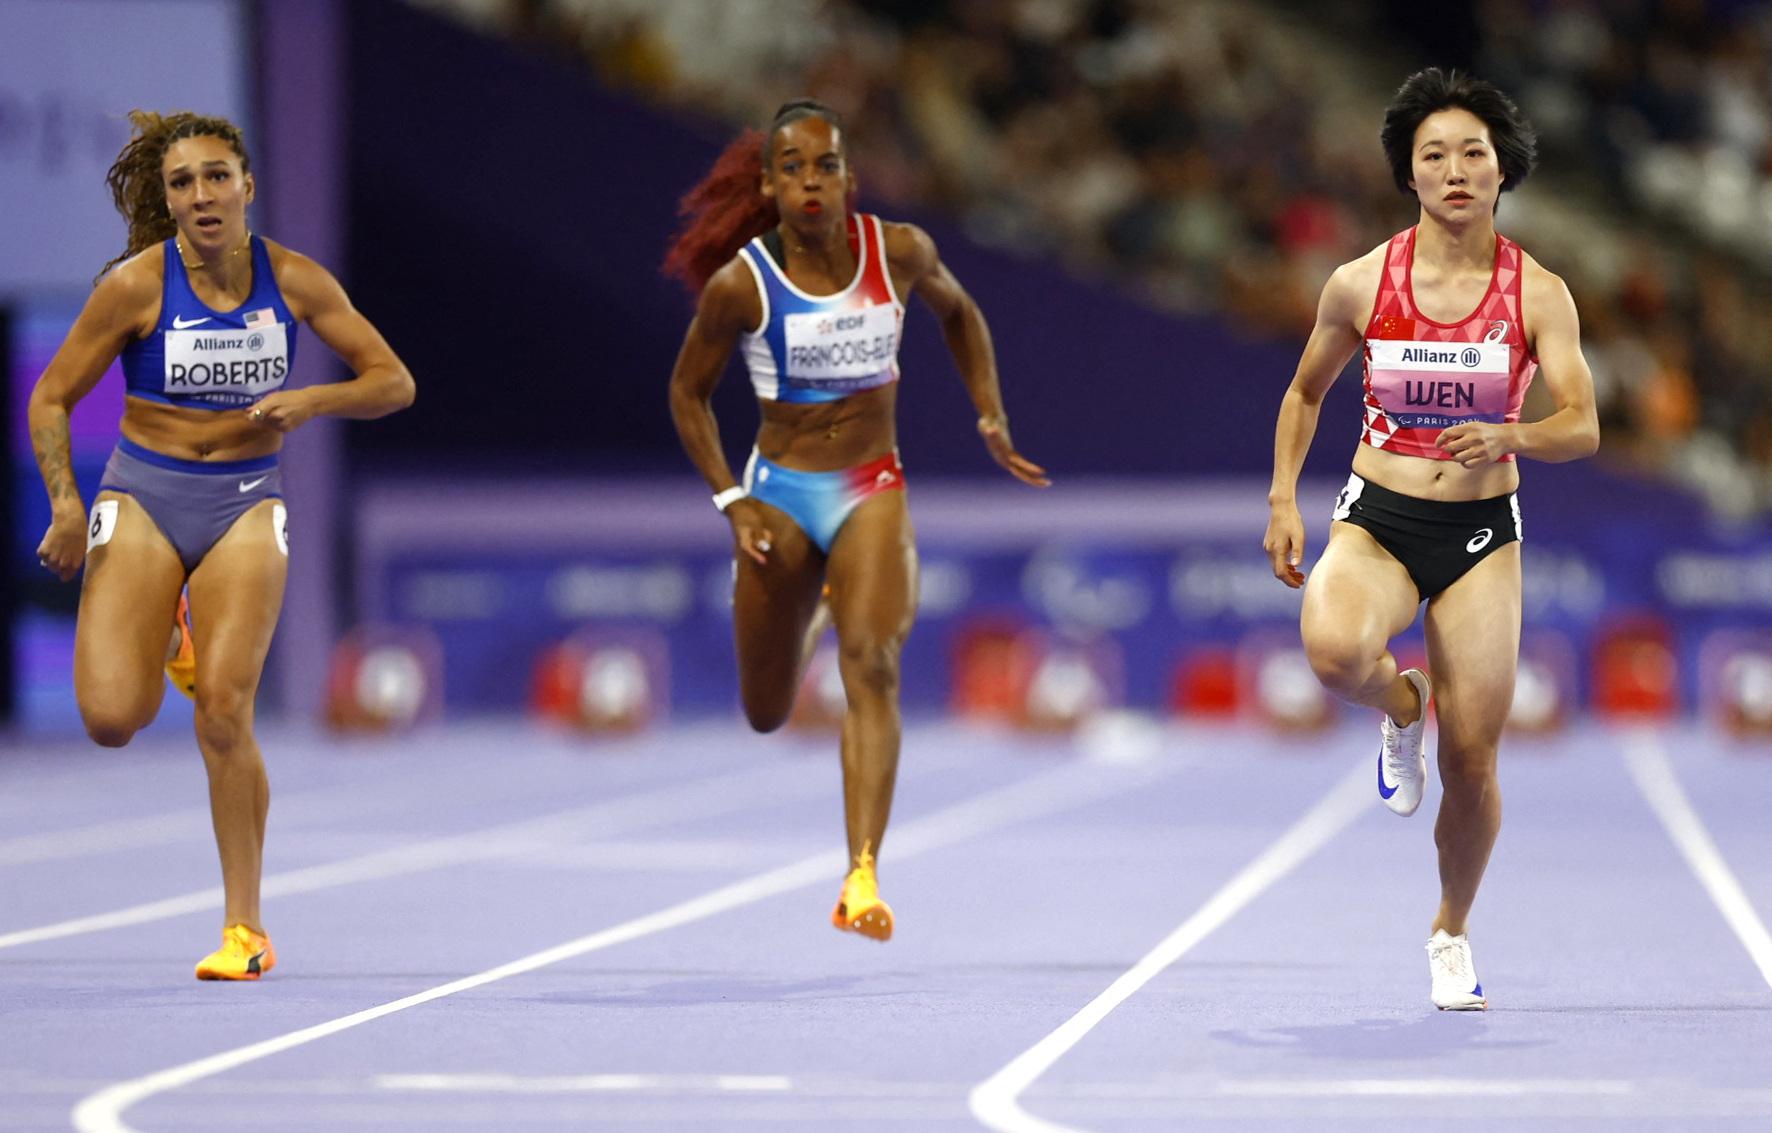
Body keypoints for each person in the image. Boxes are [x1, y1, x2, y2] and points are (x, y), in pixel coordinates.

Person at [28, 110, 415, 980]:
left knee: (225, 710)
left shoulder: (297, 281)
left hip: (245, 500)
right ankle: (170, 633)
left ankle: (245, 929)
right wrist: (63, 503)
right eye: (181, 183)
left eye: (214, 176)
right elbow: (50, 397)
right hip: (144, 494)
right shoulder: (135, 286)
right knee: (110, 720)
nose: (200, 194)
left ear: (246, 184)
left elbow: (394, 381)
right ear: (167, 202)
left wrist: (311, 402)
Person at [665, 99, 1048, 941]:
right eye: (793, 167)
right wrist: (730, 499)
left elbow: (962, 314)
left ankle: (861, 873)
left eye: (826, 165)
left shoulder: (899, 250)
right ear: (769, 183)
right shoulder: (744, 284)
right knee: (766, 710)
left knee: (872, 663)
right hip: (780, 492)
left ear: (848, 177)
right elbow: (687, 394)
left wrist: (990, 413)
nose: (811, 181)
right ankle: (814, 607)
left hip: (871, 484)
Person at [1262, 69, 1598, 1009]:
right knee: (1331, 650)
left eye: (1473, 154)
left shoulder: (1541, 294)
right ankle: (1402, 704)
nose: (1455, 170)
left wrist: (1514, 434)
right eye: (1434, 156)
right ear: (1408, 177)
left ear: (1502, 173)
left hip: (1482, 532)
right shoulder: (1361, 282)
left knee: (1474, 761)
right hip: (1380, 515)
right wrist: (1285, 499)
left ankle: (1450, 929)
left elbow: (1584, 423)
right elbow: (1303, 393)